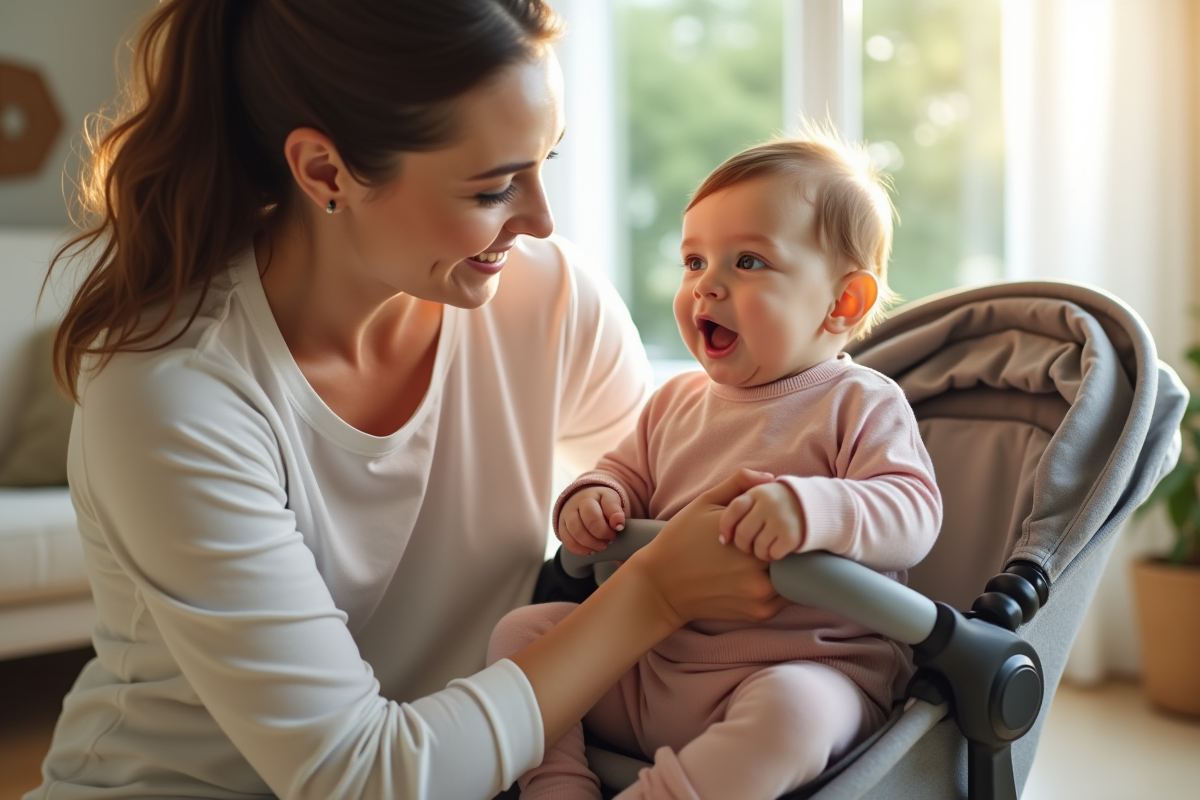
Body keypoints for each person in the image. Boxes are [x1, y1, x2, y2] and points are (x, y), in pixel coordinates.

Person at [24, 2, 790, 799]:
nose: (540, 219)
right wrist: (656, 594)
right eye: (494, 187)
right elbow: (360, 776)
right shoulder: (174, 395)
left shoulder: (547, 296)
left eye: (544, 162)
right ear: (326, 173)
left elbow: (671, 505)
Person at [488, 131, 944, 800]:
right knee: (524, 631)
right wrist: (592, 498)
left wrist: (811, 509)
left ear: (842, 303)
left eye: (749, 261)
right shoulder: (673, 402)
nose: (708, 286)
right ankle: (556, 784)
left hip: (801, 668)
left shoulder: (859, 401)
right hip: (653, 661)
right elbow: (620, 475)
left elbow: (914, 512)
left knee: (794, 714)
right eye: (694, 261)